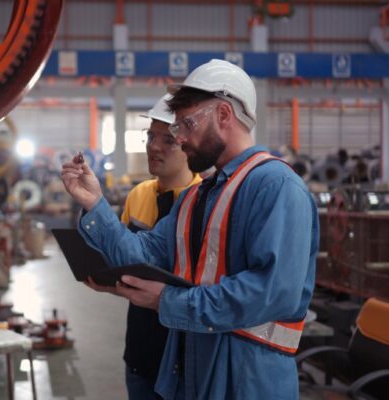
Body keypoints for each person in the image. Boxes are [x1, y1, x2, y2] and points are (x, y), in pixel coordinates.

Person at [61, 59, 318, 399]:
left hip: (249, 379)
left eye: (187, 124)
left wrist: (170, 302)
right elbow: (140, 254)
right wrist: (95, 204)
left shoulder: (276, 188)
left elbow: (272, 291)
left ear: (224, 115)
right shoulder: (196, 198)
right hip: (194, 371)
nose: (179, 138)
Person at [84, 94, 201, 400]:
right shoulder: (138, 195)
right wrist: (109, 282)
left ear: (188, 145)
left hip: (180, 357)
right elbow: (126, 261)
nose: (153, 146)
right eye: (150, 137)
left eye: (168, 140)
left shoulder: (202, 202)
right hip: (139, 351)